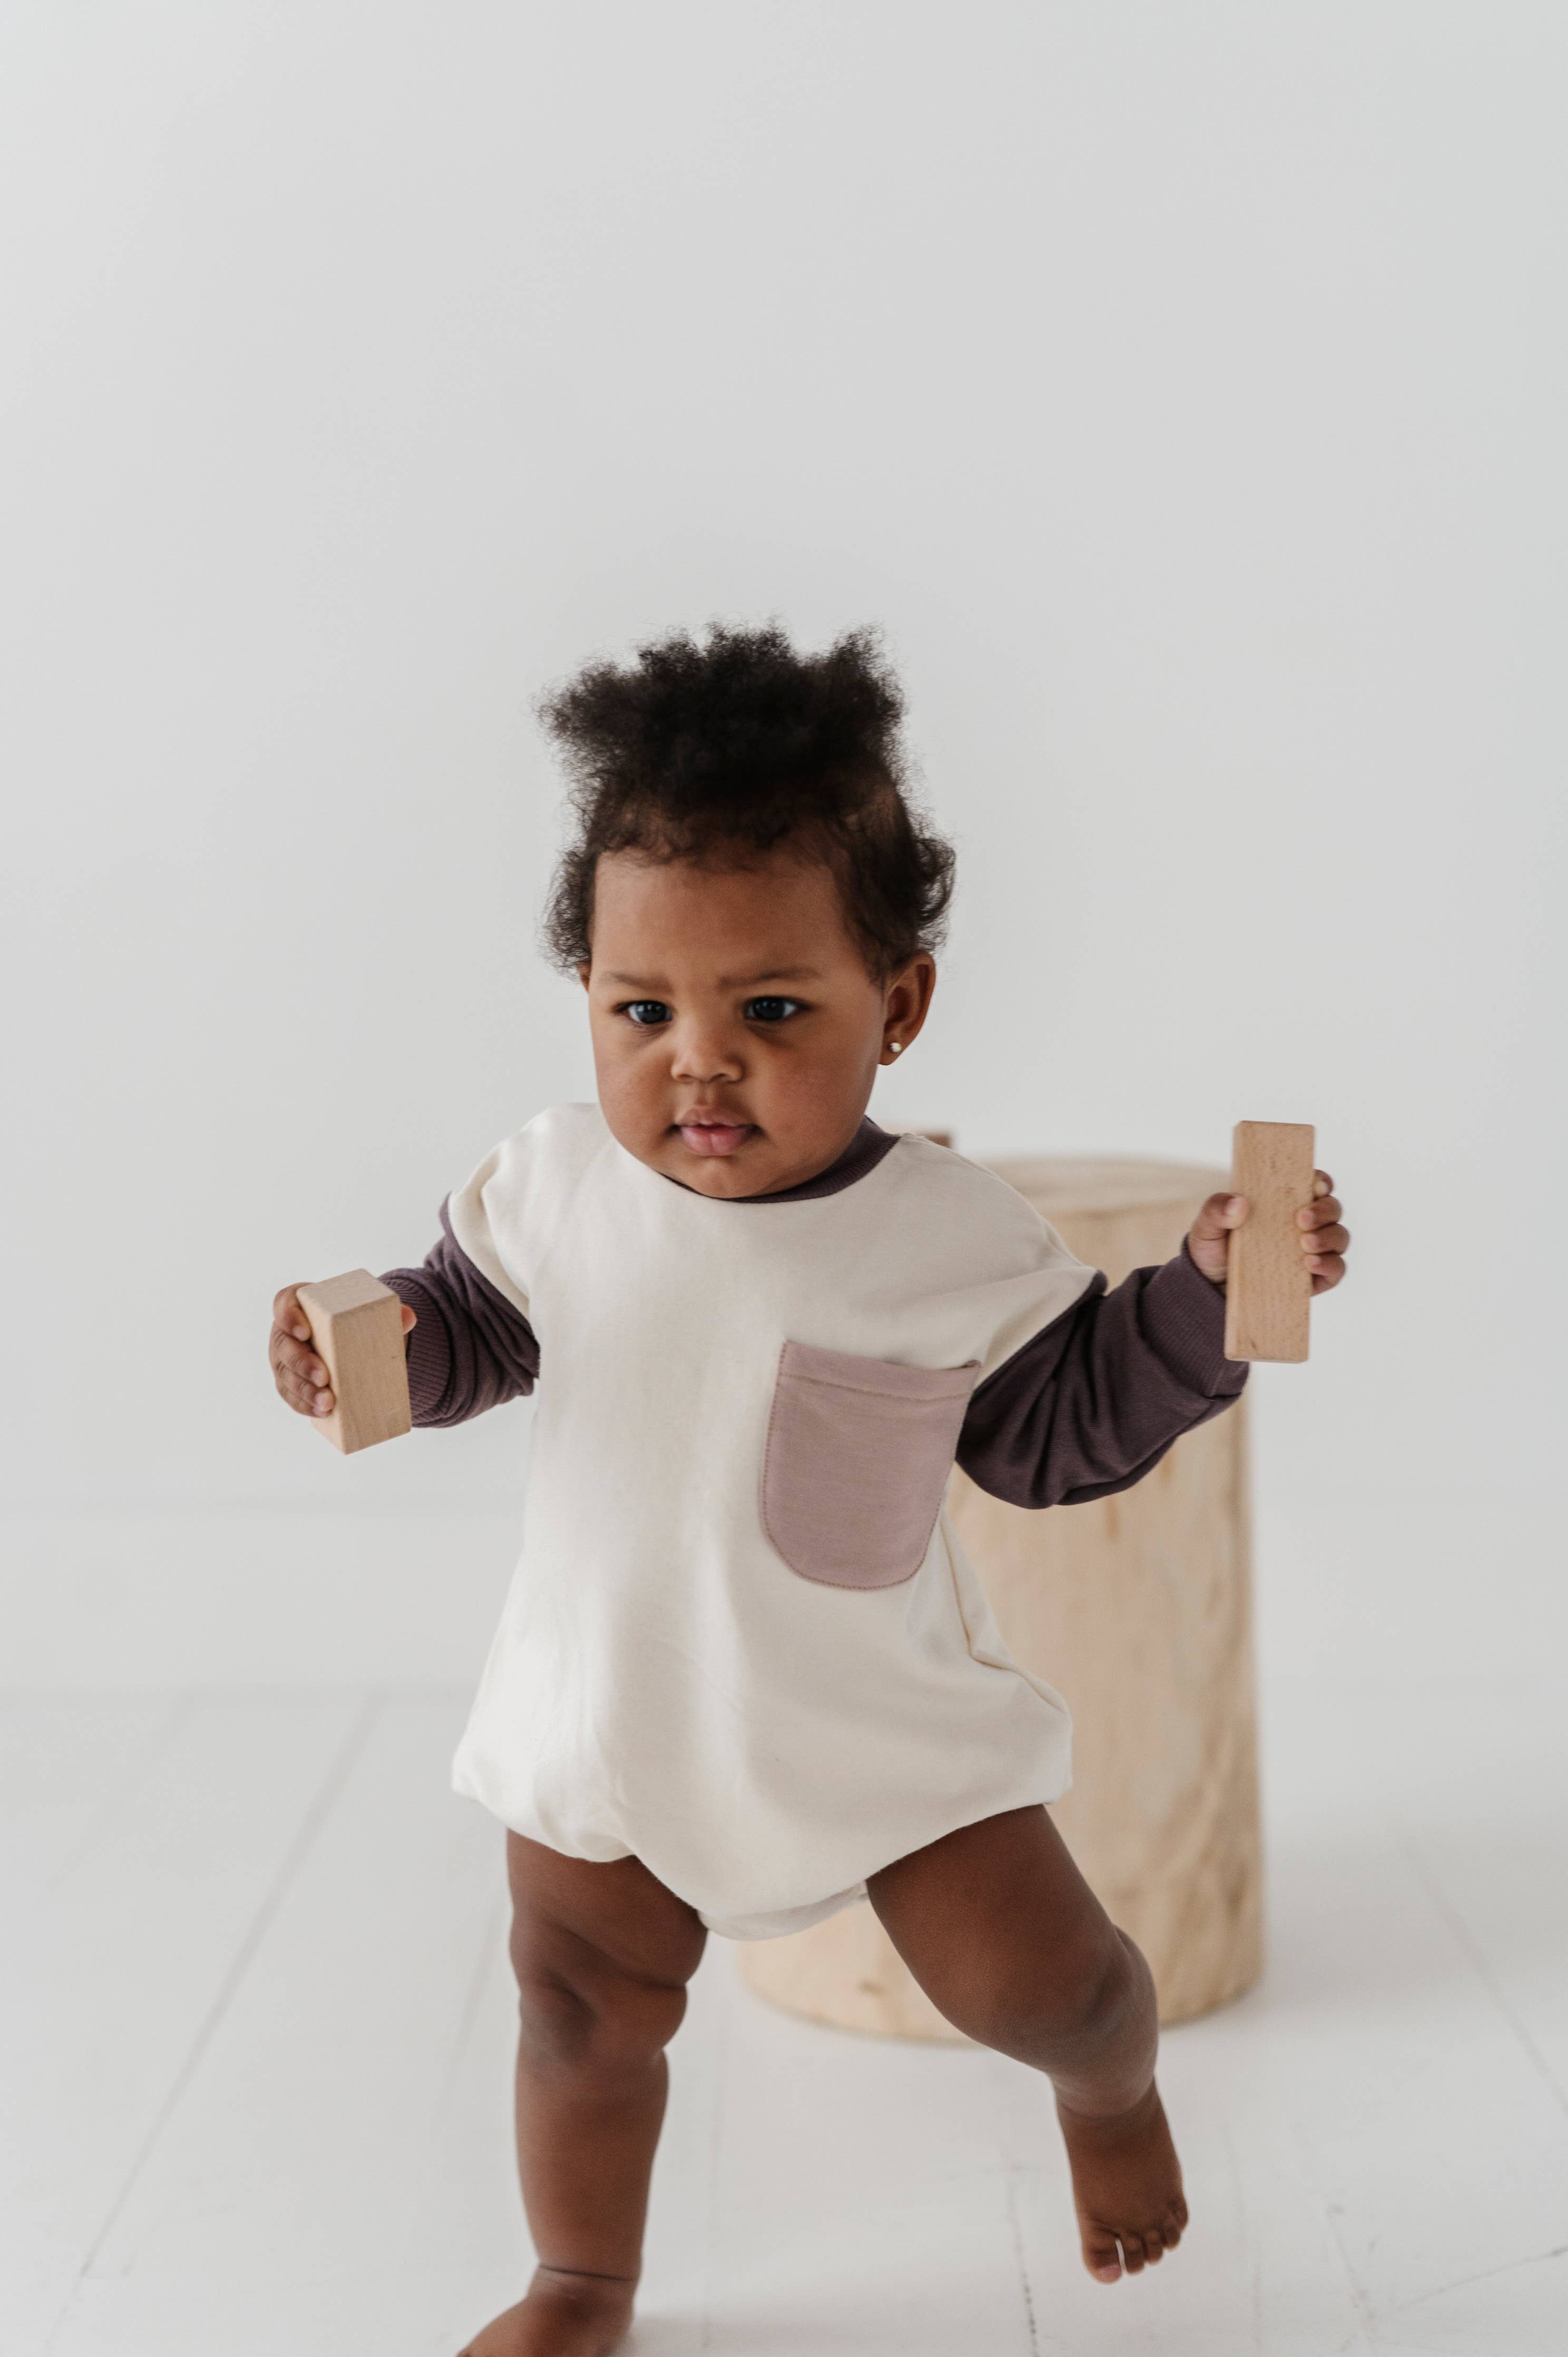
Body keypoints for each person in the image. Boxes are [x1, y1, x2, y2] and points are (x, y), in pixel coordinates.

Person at [269, 624, 1350, 2357]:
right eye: (644, 1010)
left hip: (874, 1731)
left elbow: (1058, 1425)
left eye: (772, 1011)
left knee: (1046, 1986)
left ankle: (1111, 2090)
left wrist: (1206, 1294)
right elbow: (469, 1328)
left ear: (898, 1006)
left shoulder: (946, 1239)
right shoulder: (551, 1187)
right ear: (591, 1000)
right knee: (576, 2006)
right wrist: (370, 1345)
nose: (698, 1063)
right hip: (611, 1711)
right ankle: (584, 2278)